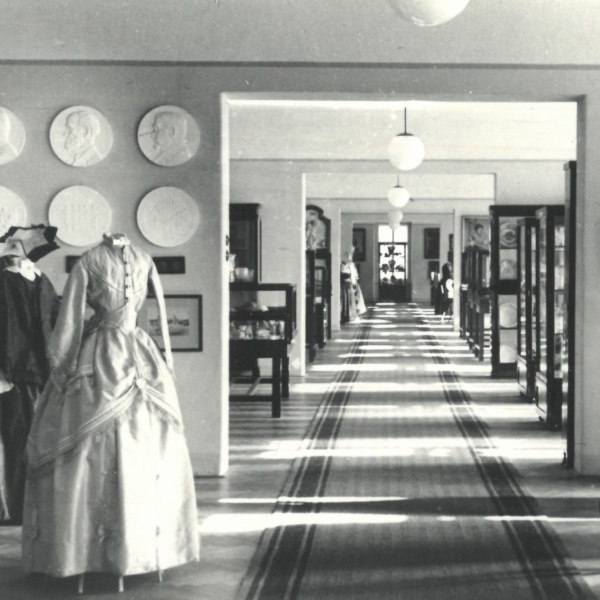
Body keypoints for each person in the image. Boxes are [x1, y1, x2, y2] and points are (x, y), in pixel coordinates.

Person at [22, 233, 199, 587]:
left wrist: (62, 368)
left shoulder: (89, 260)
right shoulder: (144, 258)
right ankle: (139, 549)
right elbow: (155, 312)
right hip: (139, 352)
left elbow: (69, 320)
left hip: (101, 352)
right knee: (142, 446)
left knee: (86, 453)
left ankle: (86, 553)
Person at [0, 225, 60, 524]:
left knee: (28, 439)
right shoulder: (8, 279)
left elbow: (51, 323)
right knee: (16, 439)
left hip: (33, 370)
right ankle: (16, 508)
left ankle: (25, 507)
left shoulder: (39, 280)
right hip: (16, 370)